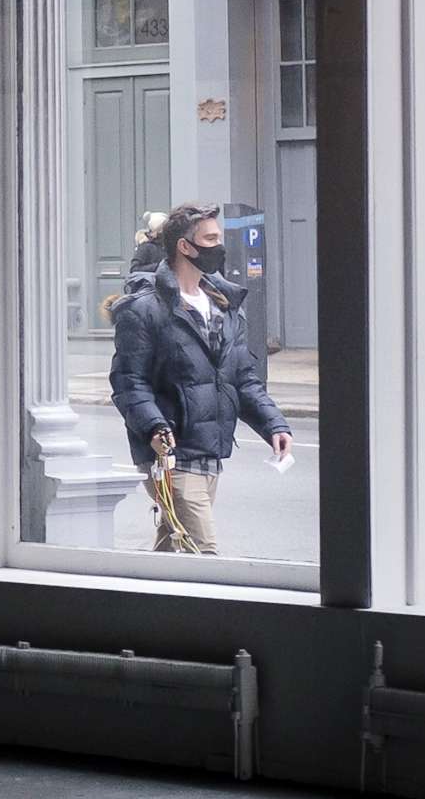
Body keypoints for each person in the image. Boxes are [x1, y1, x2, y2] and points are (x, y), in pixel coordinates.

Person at [108, 203, 294, 555]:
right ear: (184, 246)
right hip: (170, 456)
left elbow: (242, 379)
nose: (219, 246)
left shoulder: (224, 306)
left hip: (209, 454)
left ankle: (147, 605)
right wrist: (155, 428)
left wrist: (274, 426)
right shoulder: (145, 310)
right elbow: (129, 382)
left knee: (170, 555)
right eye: (210, 238)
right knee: (205, 556)